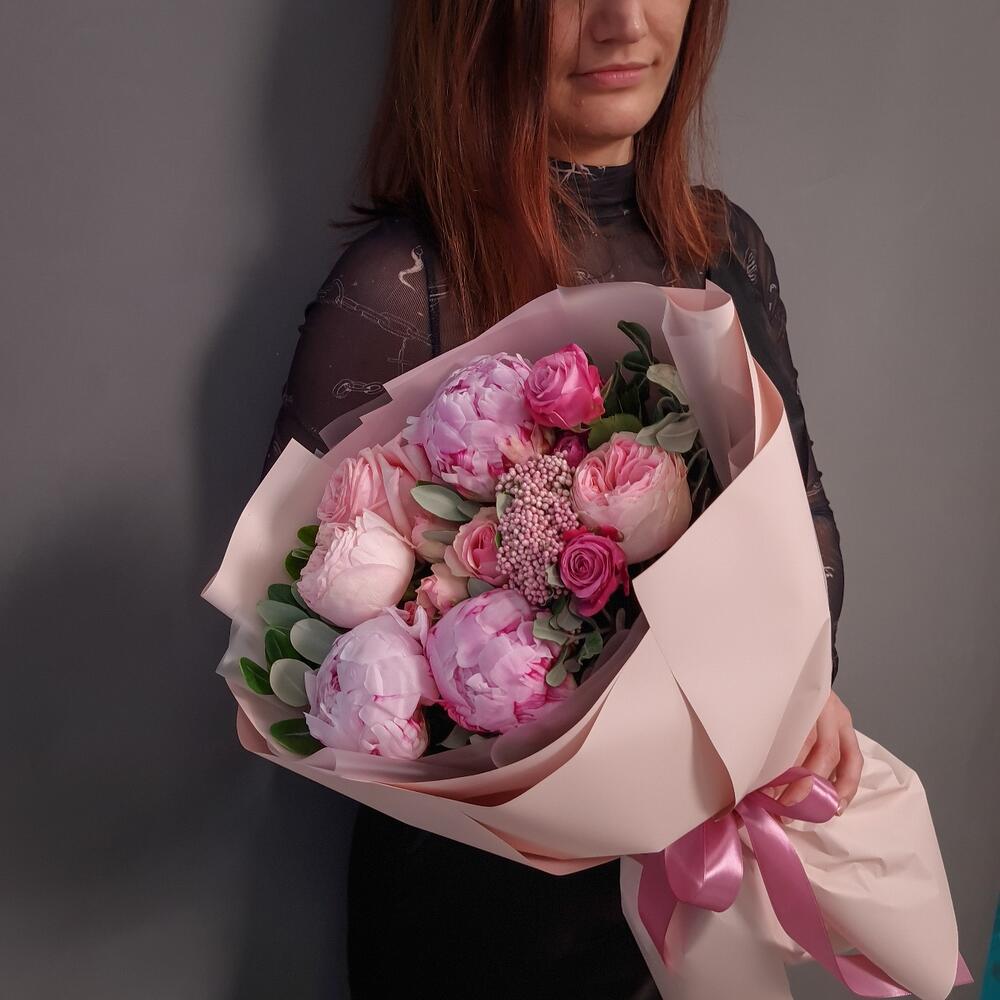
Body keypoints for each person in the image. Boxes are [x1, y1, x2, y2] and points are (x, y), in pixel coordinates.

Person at [261, 2, 863, 996]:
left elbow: (806, 537)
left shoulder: (726, 249)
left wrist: (797, 695)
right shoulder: (402, 285)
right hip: (483, 934)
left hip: (705, 896)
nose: (623, 21)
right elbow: (311, 645)